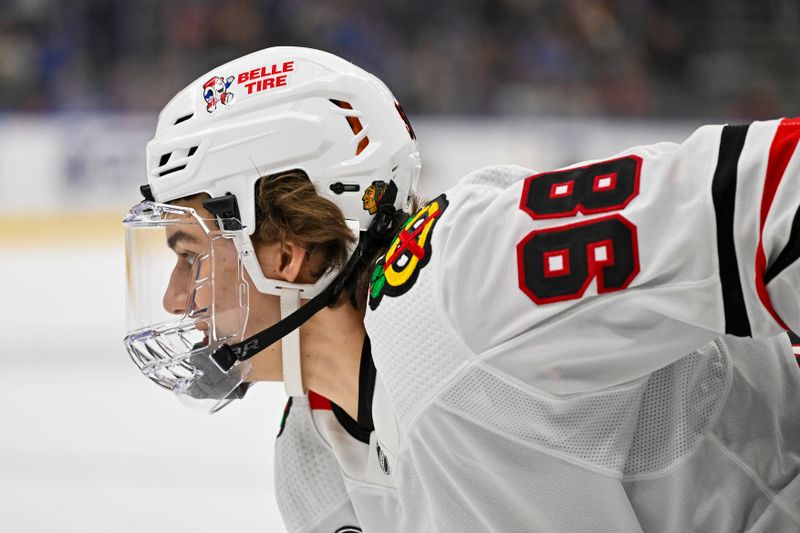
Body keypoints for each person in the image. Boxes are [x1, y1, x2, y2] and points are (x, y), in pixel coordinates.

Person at [123, 47, 800, 532]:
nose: (175, 298)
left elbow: (774, 193)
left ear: (285, 250)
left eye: (189, 255)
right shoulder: (313, 475)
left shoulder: (471, 276)